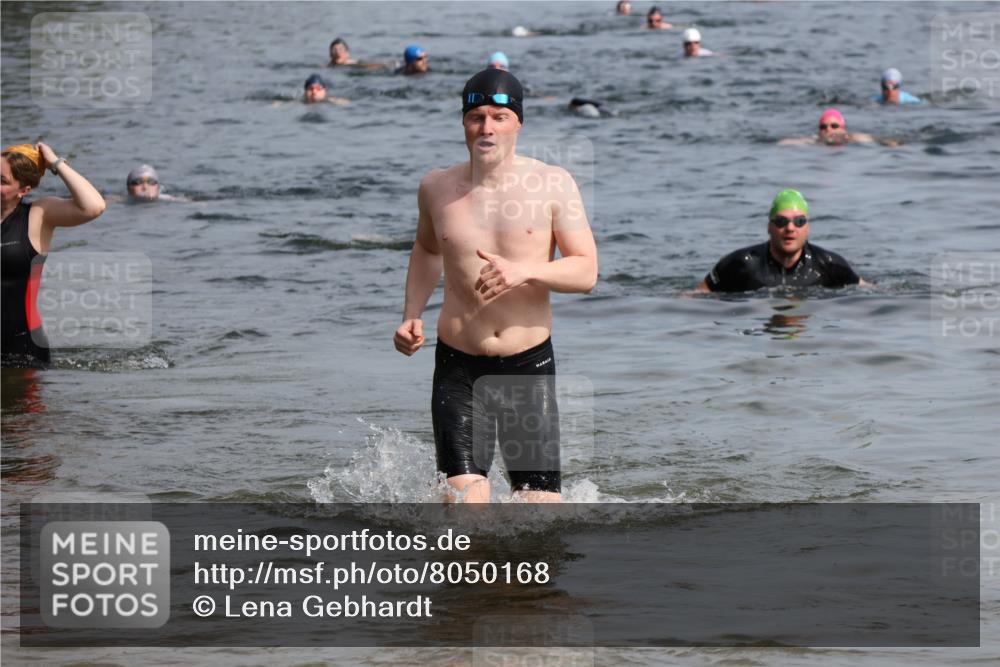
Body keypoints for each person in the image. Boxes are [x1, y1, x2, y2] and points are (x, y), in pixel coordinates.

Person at [394, 69, 598, 504]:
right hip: (459, 368)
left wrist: (527, 272)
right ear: (464, 122)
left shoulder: (553, 184)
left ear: (518, 123)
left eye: (499, 116)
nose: (486, 127)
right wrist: (412, 313)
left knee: (538, 512)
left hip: (528, 369)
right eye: (477, 116)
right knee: (468, 505)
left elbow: (586, 272)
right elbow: (428, 250)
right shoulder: (436, 187)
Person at [2, 143, 105, 367]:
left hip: (22, 349)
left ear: (23, 190)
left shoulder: (38, 215)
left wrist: (56, 163)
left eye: (2, 181)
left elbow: (93, 206)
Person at [696, 189, 865, 293]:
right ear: (769, 227)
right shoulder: (740, 264)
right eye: (782, 221)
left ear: (808, 228)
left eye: (799, 222)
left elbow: (868, 294)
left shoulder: (830, 265)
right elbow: (697, 297)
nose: (790, 228)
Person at [778, 108, 885, 146]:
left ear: (842, 128)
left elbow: (876, 139)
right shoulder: (816, 140)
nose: (828, 130)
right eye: (823, 127)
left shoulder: (852, 138)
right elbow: (786, 143)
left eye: (834, 126)